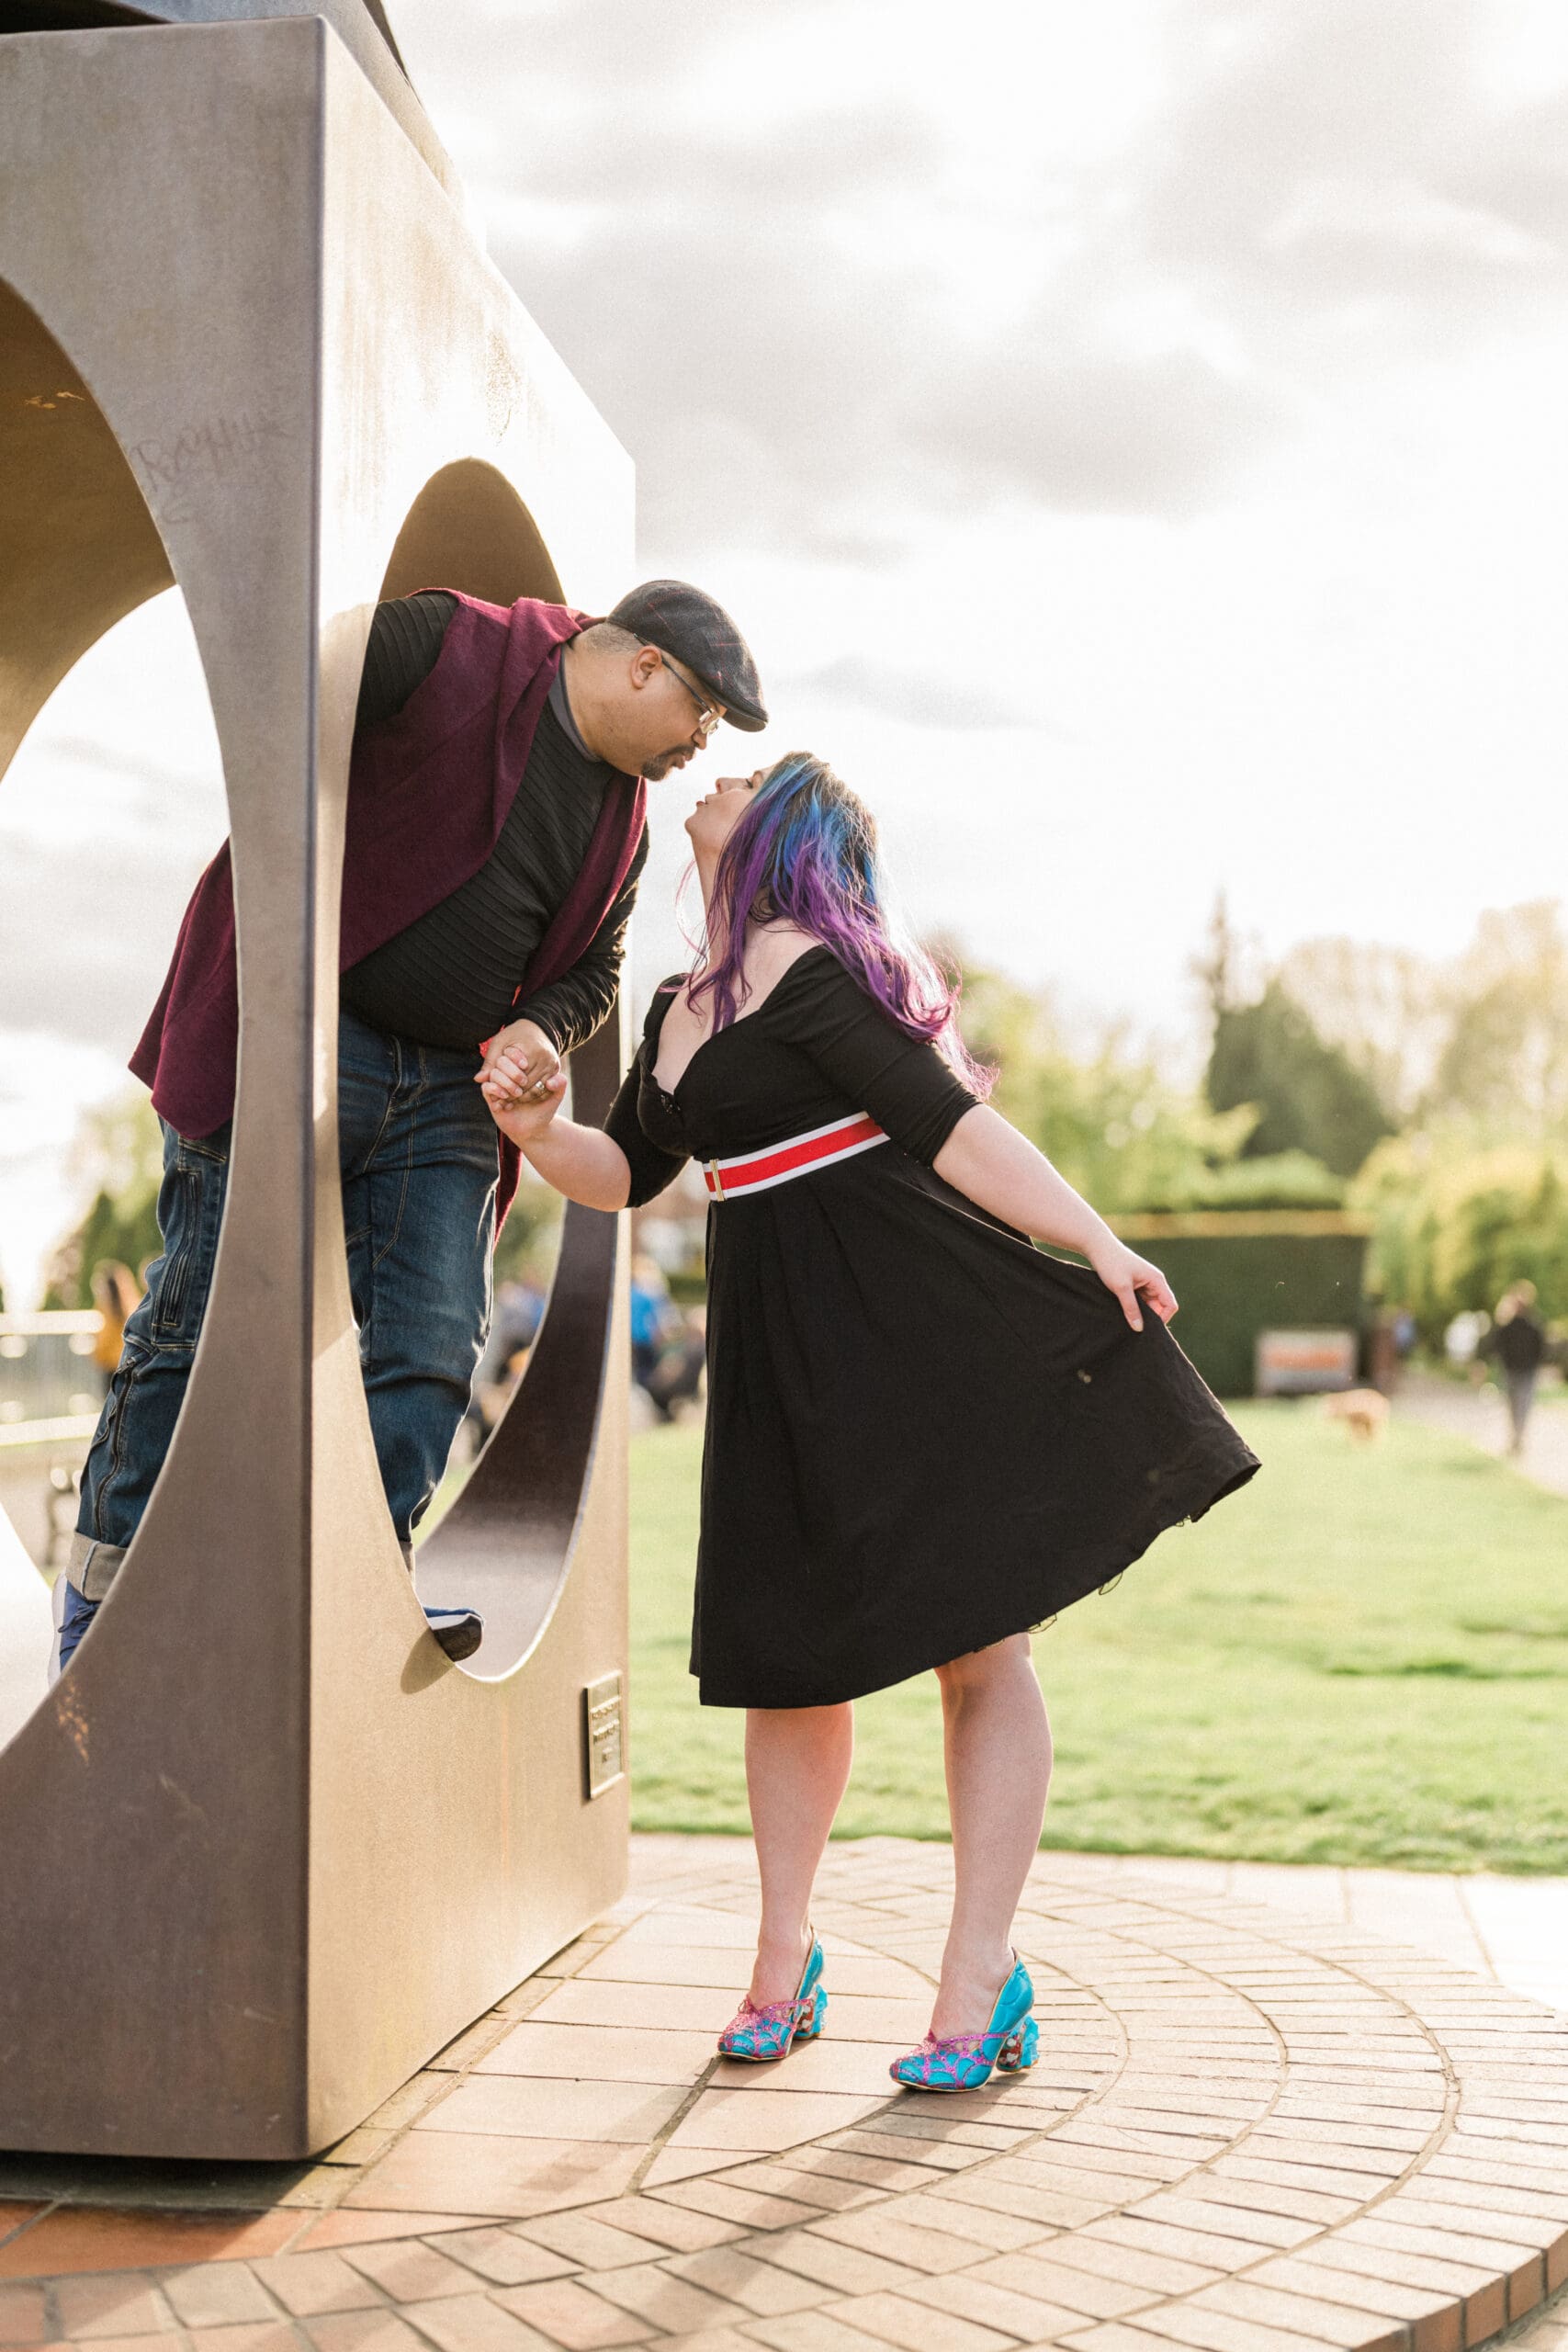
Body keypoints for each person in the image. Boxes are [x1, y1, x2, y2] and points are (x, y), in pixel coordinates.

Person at [482, 754, 1258, 2092]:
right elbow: (627, 1172)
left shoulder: (811, 970)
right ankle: (783, 1960)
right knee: (787, 1662)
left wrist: (1095, 1239)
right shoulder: (675, 1003)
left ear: (786, 829)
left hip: (912, 1340)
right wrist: (543, 1131)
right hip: (777, 1366)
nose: (716, 772)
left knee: (979, 1647)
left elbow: (955, 1133)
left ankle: (978, 1978)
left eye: (751, 772)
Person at [51, 582, 767, 1682]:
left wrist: (539, 1023)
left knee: (430, 1345)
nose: (698, 745)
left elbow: (597, 969)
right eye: (702, 714)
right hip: (300, 1030)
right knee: (195, 1326)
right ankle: (99, 1606)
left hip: (445, 1091)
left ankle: (360, 1588)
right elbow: (285, 706)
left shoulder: (623, 823)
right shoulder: (450, 640)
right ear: (643, 666)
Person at [1479, 1282, 1549, 1454]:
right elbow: (1495, 1344)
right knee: (1515, 1405)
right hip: (1511, 1371)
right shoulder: (1509, 1326)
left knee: (1521, 1405)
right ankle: (1516, 1437)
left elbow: (1541, 1349)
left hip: (1526, 1372)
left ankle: (1518, 1437)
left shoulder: (1534, 1325)